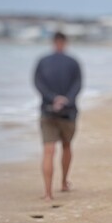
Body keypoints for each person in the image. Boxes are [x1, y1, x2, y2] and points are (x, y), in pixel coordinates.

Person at [33, 32, 83, 201]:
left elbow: (38, 84)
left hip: (47, 111)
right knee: (67, 146)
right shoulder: (73, 62)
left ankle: (48, 193)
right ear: (65, 42)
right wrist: (65, 99)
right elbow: (78, 85)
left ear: (54, 42)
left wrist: (52, 98)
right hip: (69, 111)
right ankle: (63, 182)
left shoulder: (42, 61)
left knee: (48, 151)